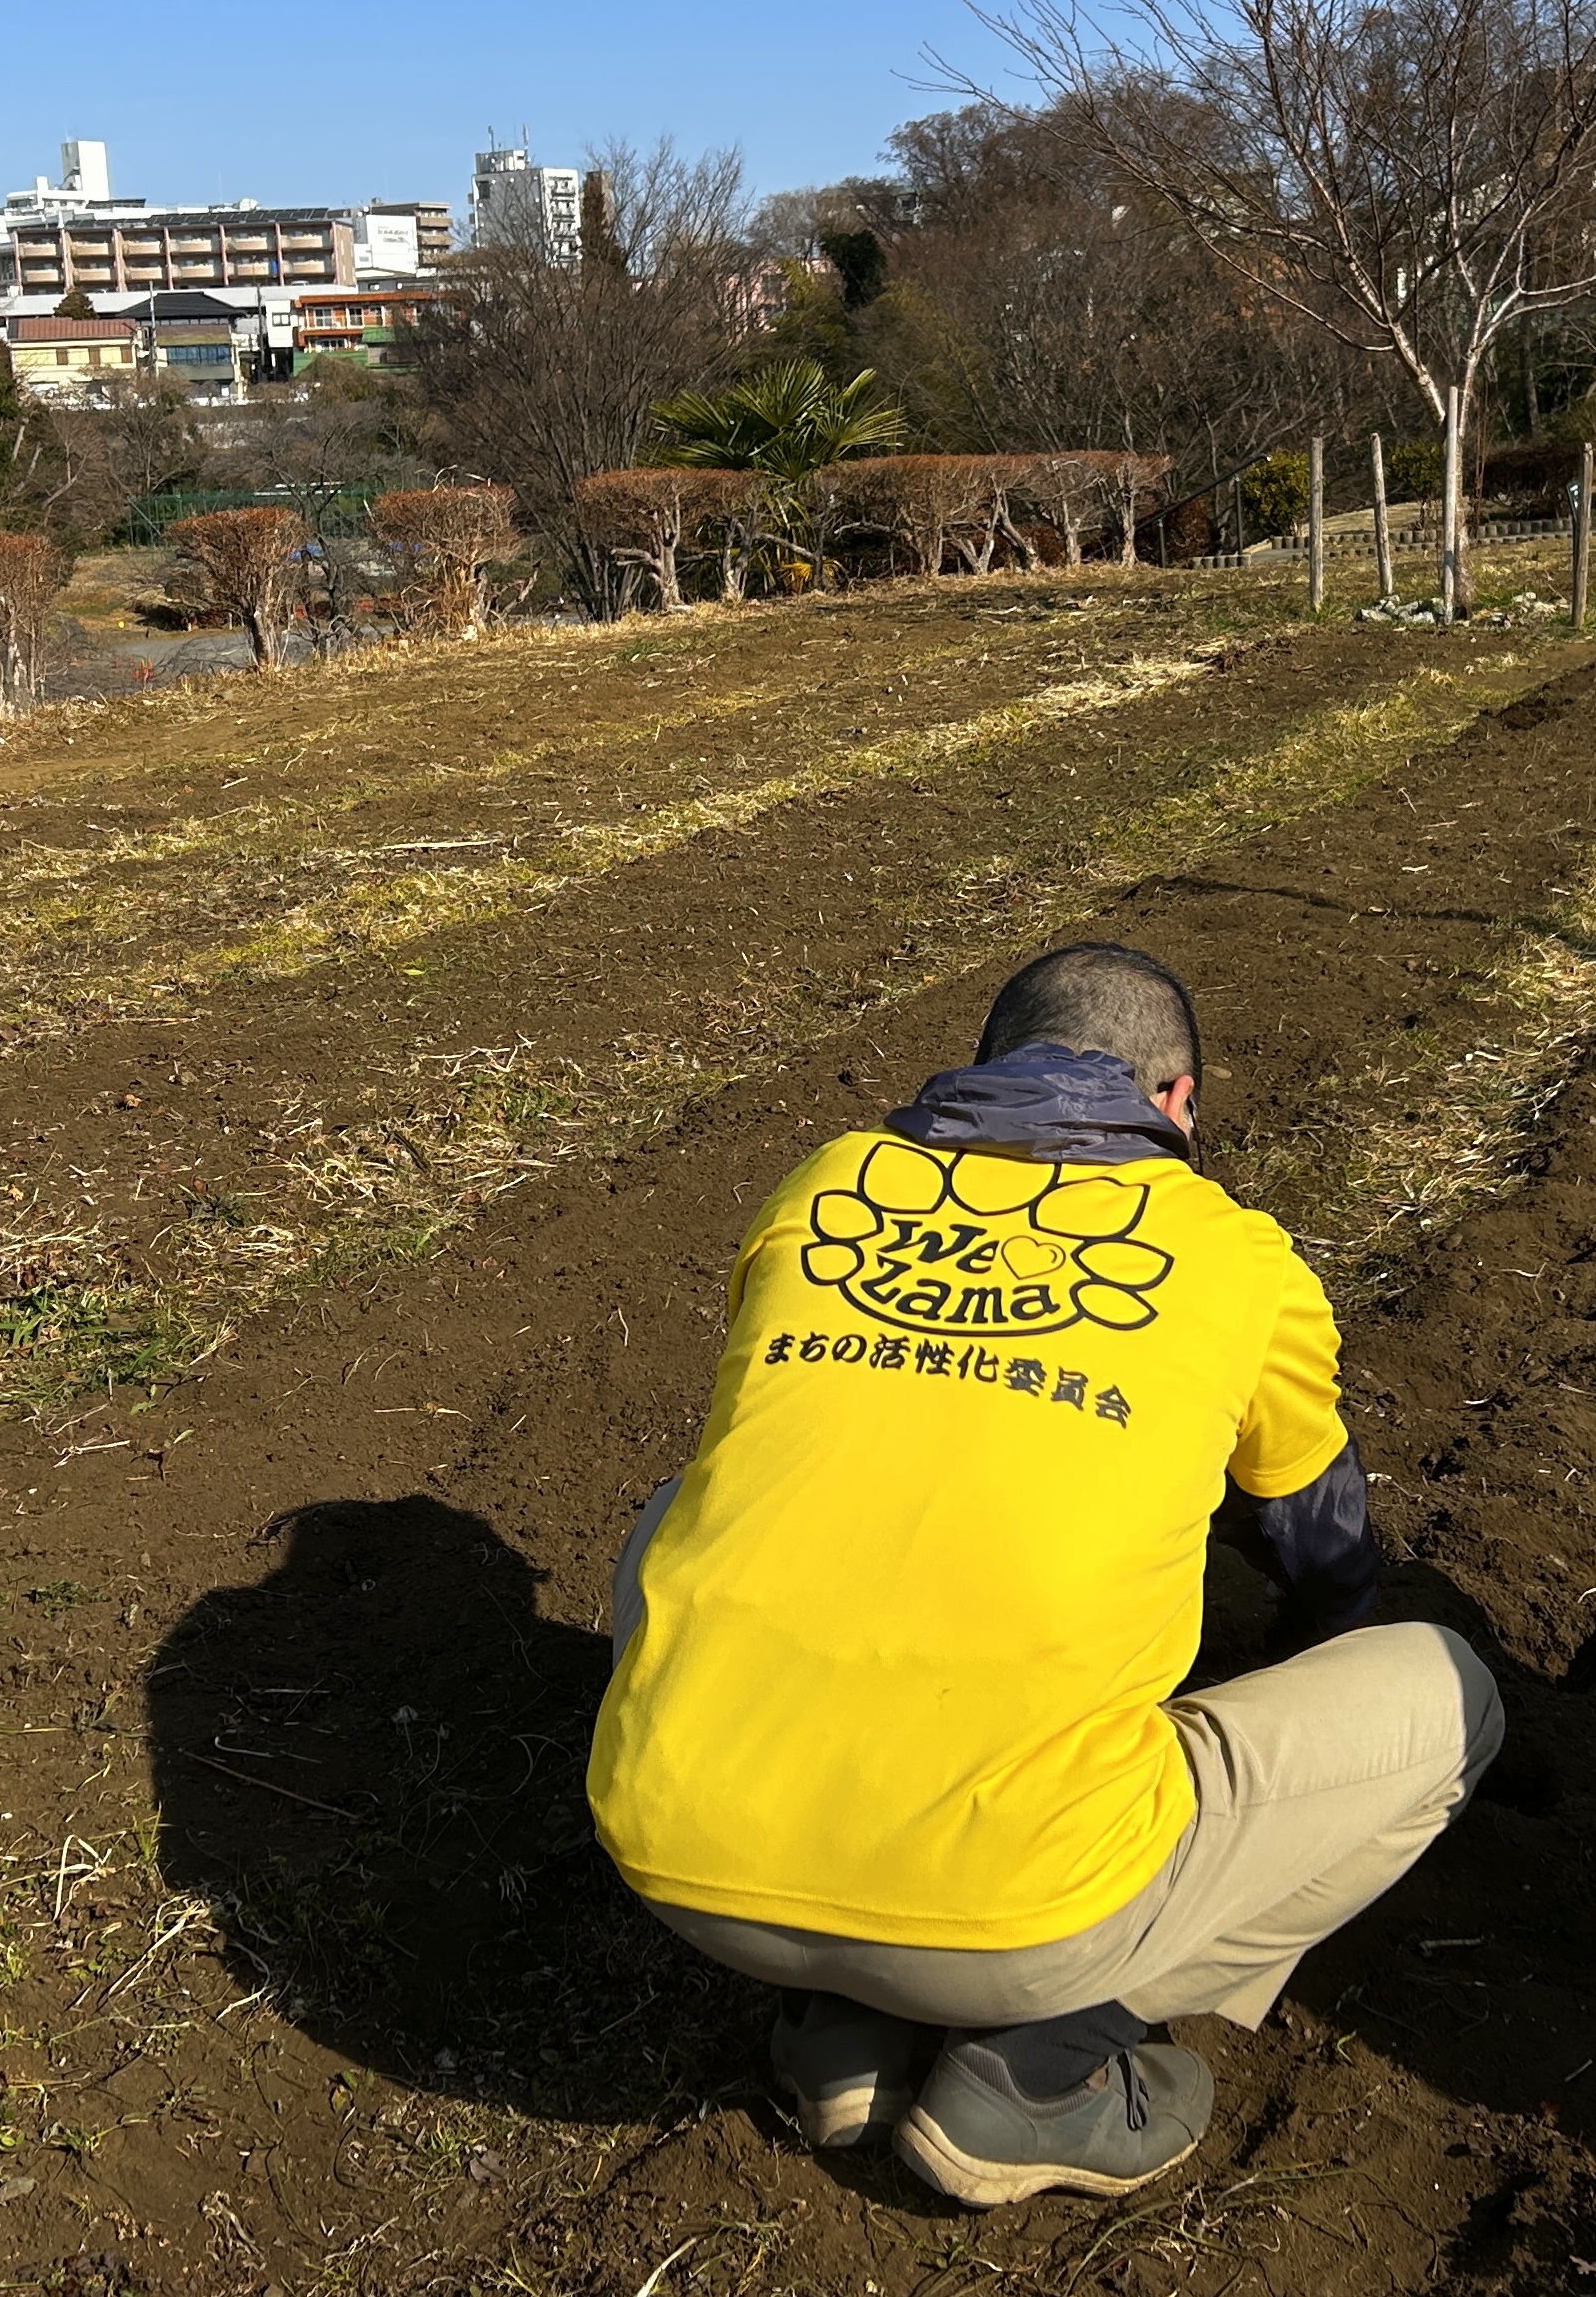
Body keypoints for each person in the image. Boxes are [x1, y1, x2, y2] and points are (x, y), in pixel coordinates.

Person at [587, 944, 1504, 2207]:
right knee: (1448, 1696)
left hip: (678, 1857)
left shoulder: (828, 1182)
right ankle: (1037, 2067)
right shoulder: (1233, 1254)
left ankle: (836, 2026)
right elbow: (1314, 1531)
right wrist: (1327, 1633)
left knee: (676, 1517)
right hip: (1023, 1915)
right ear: (1177, 1102)